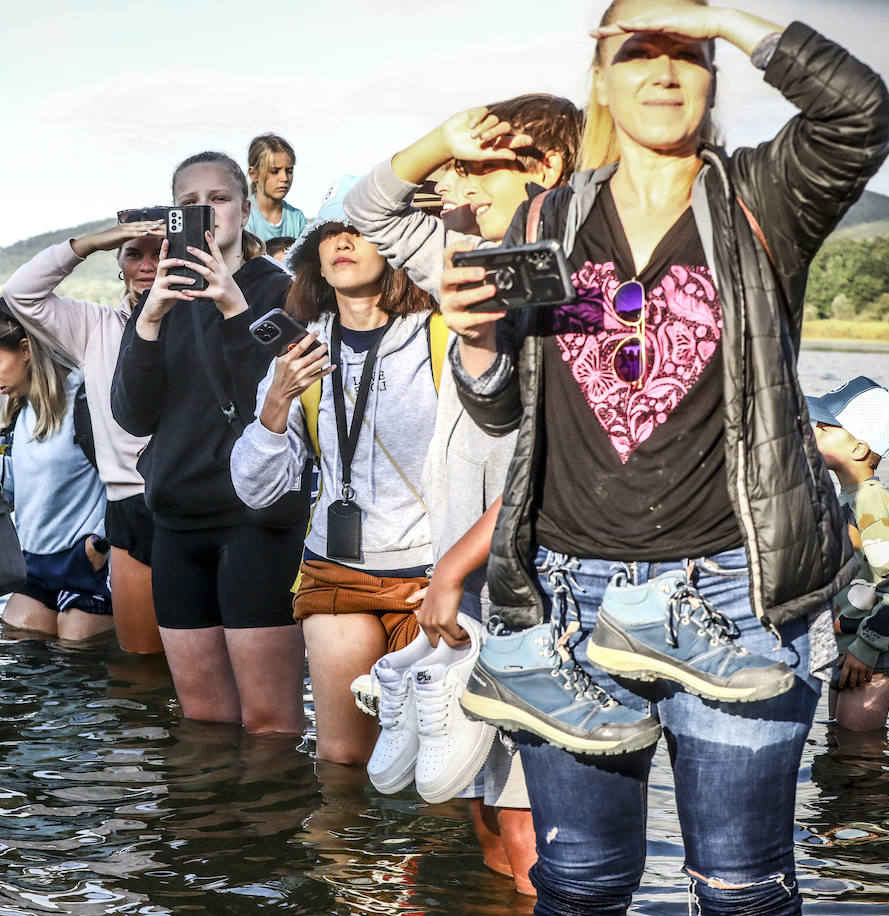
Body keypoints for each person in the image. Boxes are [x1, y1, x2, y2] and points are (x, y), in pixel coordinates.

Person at [441, 4, 889, 912]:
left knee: (741, 885)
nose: (663, 69)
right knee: (577, 882)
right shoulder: (546, 214)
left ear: (715, 71)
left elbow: (860, 113)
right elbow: (502, 412)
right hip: (569, 599)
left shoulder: (765, 197)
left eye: (686, 51)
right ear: (601, 78)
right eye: (636, 50)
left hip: (733, 592)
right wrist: (479, 343)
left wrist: (724, 17)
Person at [345, 94, 583, 896]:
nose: (460, 182)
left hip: (528, 585)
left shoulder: (577, 283)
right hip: (467, 584)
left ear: (545, 169)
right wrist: (446, 140)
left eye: (481, 168)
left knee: (527, 834)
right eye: (458, 167)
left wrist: (452, 566)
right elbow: (368, 205)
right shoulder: (465, 257)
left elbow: (552, 464)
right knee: (481, 819)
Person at [231, 176, 446, 768]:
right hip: (335, 571)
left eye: (360, 230)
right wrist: (275, 405)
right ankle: (345, 864)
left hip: (431, 574)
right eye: (328, 234)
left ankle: (416, 864)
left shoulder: (440, 337)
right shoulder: (300, 352)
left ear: (396, 245)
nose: (342, 243)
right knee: (343, 764)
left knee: (442, 770)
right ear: (312, 260)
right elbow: (256, 488)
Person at [111, 150, 304, 733]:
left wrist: (231, 304)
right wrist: (147, 322)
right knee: (203, 720)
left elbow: (277, 399)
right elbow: (133, 415)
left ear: (245, 207)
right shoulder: (162, 296)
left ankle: (271, 825)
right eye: (188, 205)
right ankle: (211, 826)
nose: (205, 212)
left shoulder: (283, 290)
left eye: (217, 199)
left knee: (270, 725)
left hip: (257, 522)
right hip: (176, 518)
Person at [3, 216, 166, 655]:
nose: (147, 264)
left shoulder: (198, 327)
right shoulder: (99, 327)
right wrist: (91, 242)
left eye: (159, 251)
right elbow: (20, 294)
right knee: (136, 663)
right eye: (134, 253)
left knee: (175, 662)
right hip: (129, 510)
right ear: (119, 262)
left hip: (185, 505)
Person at [0, 298, 113, 642]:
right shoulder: (22, 411)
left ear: (25, 349)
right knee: (16, 637)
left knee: (77, 648)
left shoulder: (87, 397)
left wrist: (100, 541)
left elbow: (131, 477)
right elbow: (25, 480)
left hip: (85, 561)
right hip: (35, 562)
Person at [807, 376, 889, 732]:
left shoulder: (873, 501)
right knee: (839, 756)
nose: (814, 432)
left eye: (826, 428)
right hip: (848, 654)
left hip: (872, 661)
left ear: (858, 449)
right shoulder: (848, 496)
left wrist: (867, 648)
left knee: (862, 766)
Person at [245, 133, 308, 243]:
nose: (284, 178)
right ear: (253, 174)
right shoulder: (244, 216)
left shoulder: (297, 219)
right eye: (274, 171)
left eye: (289, 171)